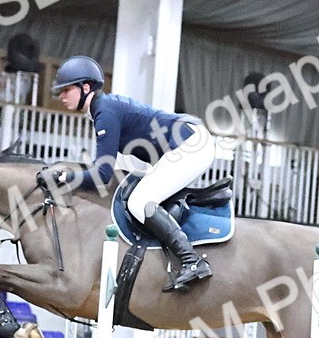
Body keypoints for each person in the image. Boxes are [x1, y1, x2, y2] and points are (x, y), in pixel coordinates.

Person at [46, 55, 216, 292]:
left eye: (66, 90)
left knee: (139, 202)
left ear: (86, 88)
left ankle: (191, 260)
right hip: (180, 145)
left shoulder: (105, 111)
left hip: (190, 144)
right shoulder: (101, 110)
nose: (61, 96)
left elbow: (102, 174)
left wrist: (66, 178)